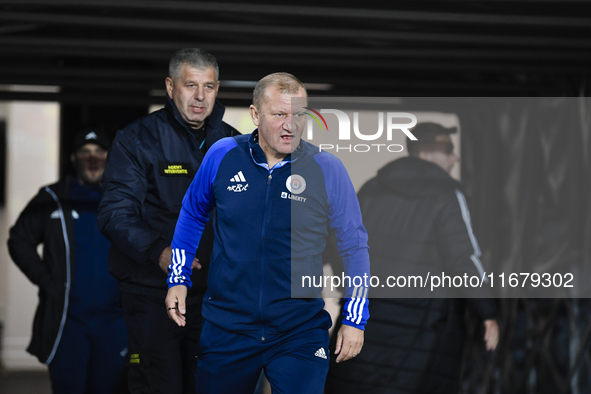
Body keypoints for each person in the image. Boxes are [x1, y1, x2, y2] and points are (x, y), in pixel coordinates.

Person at [165, 72, 370, 394]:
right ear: (255, 115)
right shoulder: (223, 154)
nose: (291, 126)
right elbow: (192, 213)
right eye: (279, 115)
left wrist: (355, 318)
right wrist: (178, 279)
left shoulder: (326, 168)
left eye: (299, 115)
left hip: (299, 329)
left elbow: (354, 246)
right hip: (227, 327)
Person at [97, 48, 239, 394]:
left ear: (218, 88)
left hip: (213, 299)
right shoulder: (137, 139)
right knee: (158, 385)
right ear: (170, 86)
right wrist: (162, 253)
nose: (200, 97)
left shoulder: (235, 145)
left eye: (208, 86)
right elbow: (115, 213)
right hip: (150, 294)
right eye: (190, 85)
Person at [324, 122, 499, 394]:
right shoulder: (447, 195)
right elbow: (463, 258)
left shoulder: (371, 189)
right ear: (423, 153)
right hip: (423, 334)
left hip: (364, 328)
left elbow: (338, 245)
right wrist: (486, 311)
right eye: (448, 149)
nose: (455, 157)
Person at [8, 128, 127, 394]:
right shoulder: (52, 198)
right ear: (73, 158)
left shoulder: (124, 200)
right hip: (68, 323)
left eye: (99, 152)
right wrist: (46, 281)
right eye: (85, 152)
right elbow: (19, 240)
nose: (93, 159)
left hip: (115, 324)